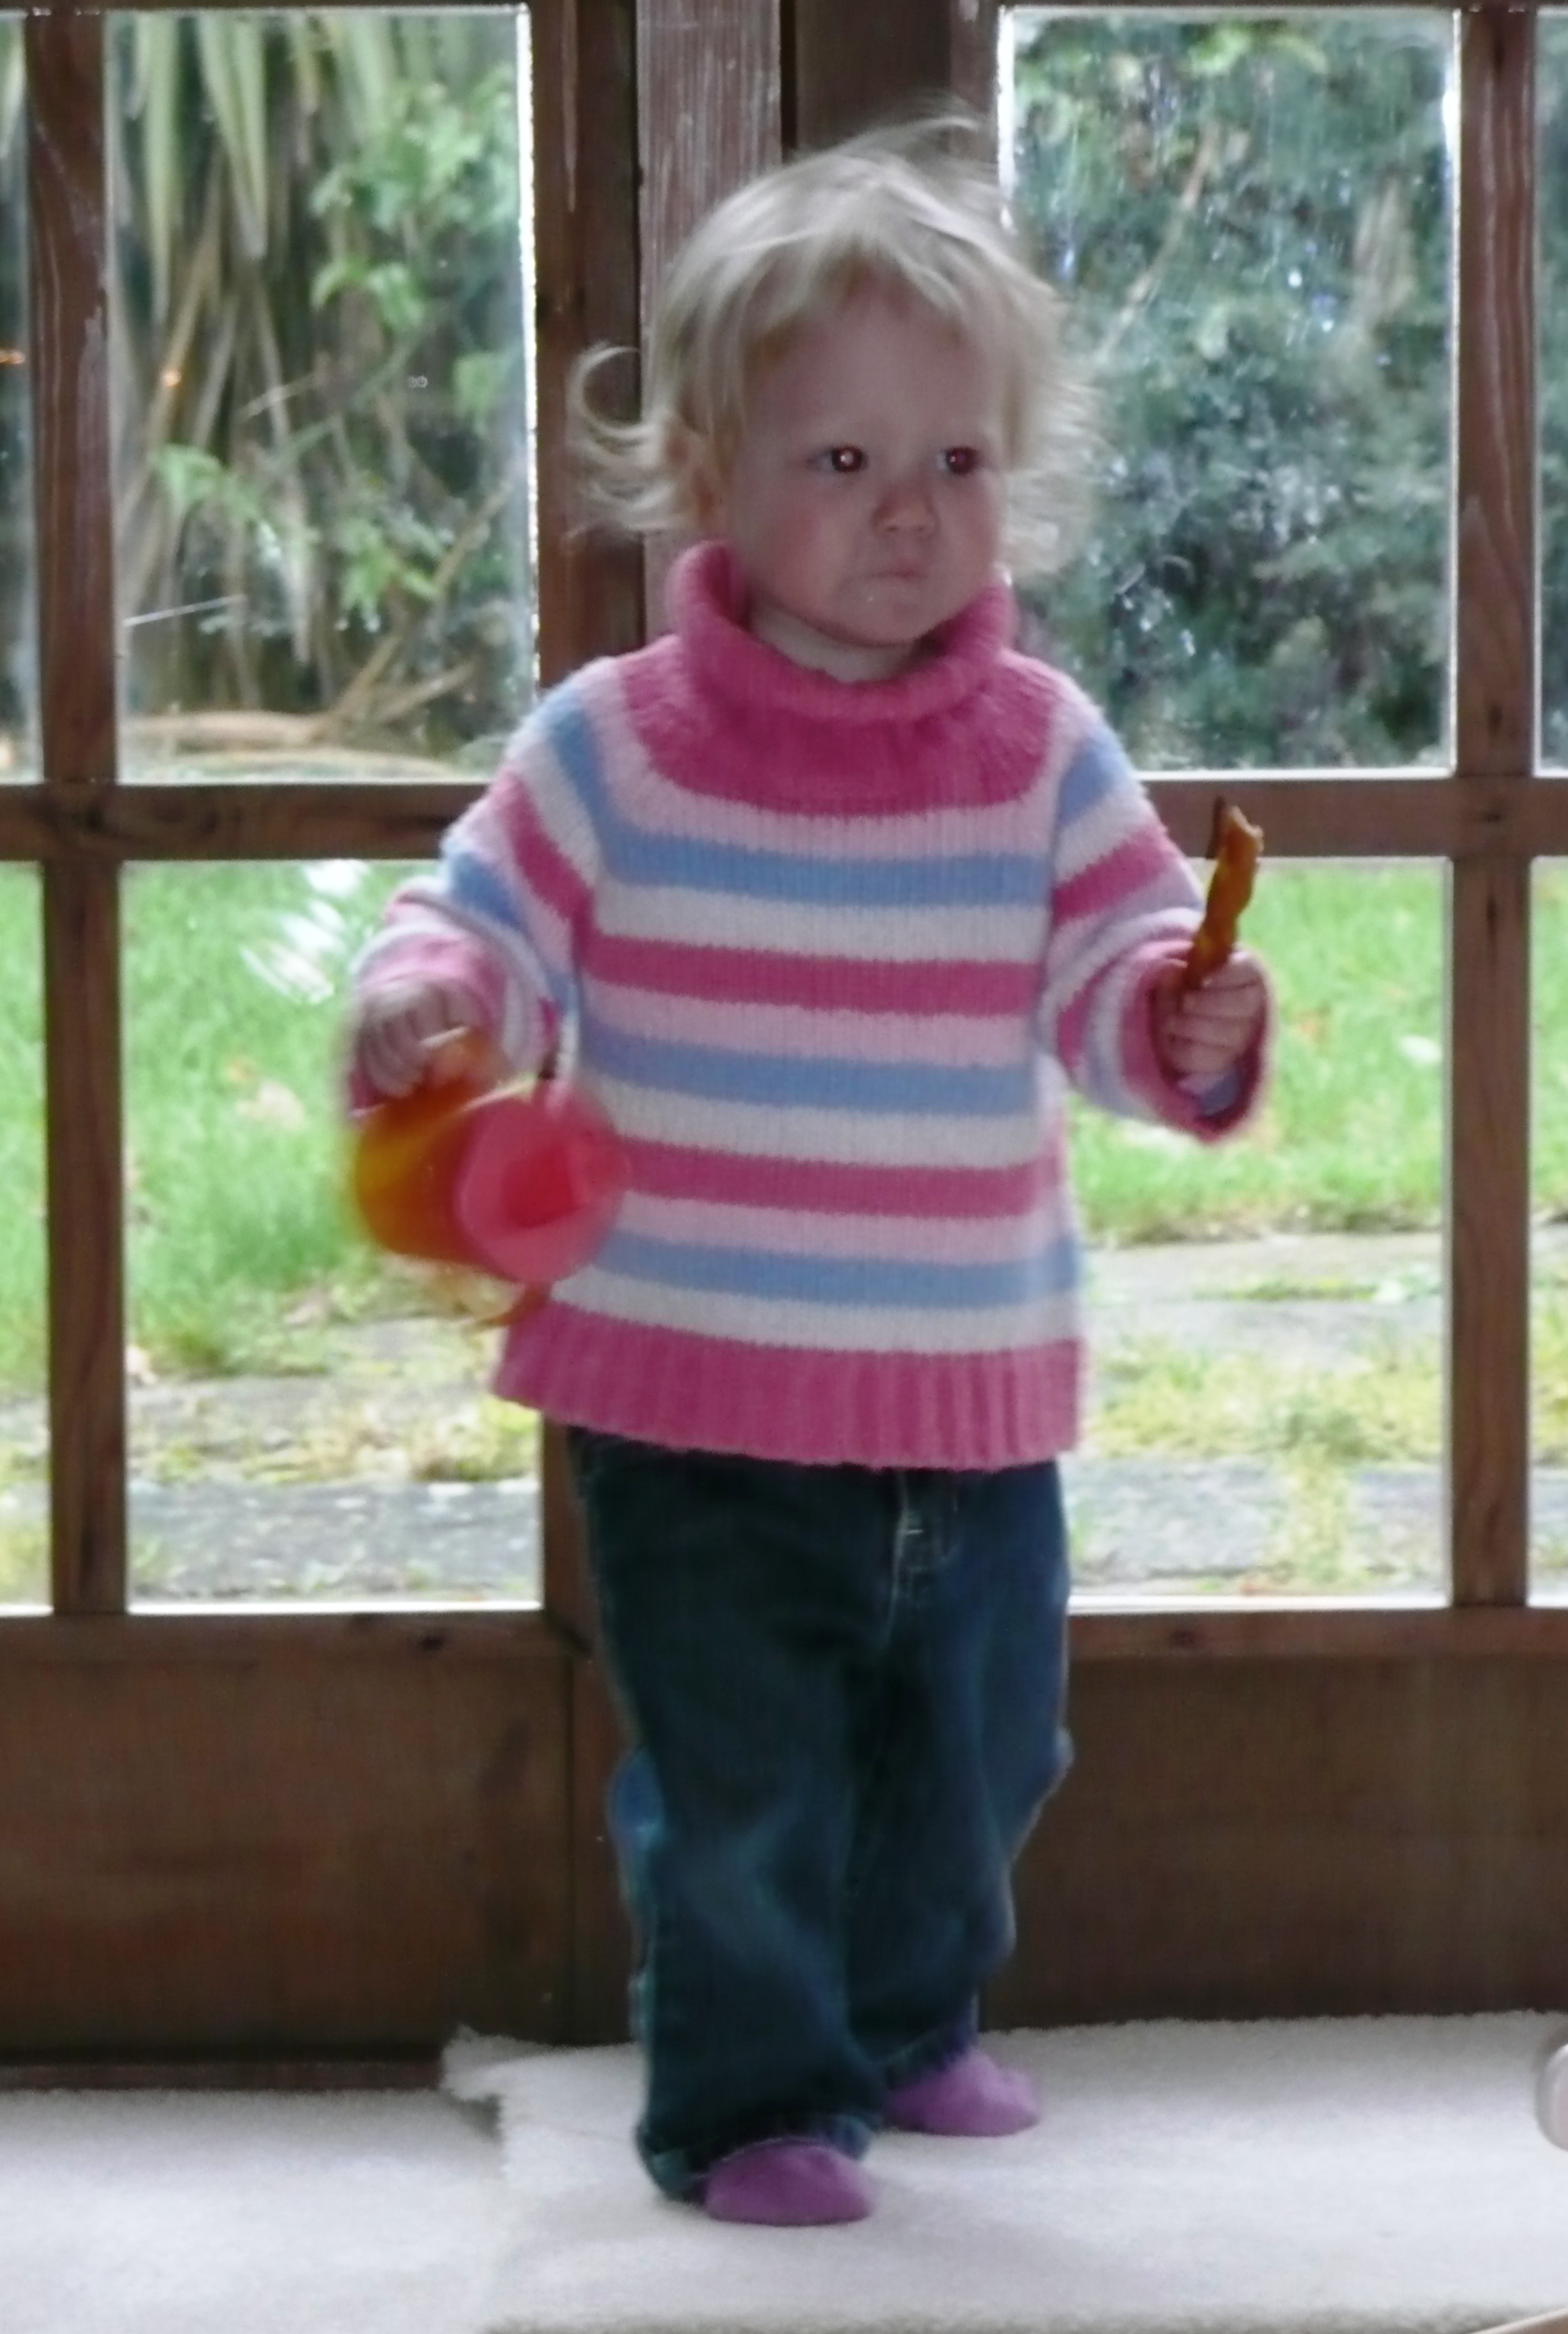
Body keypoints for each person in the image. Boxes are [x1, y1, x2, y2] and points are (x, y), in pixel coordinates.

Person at [346, 122, 1271, 2227]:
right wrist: (430, 1002)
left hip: (969, 1392)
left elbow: (1119, 975)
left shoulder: (1043, 749)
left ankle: (909, 2015)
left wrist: (1189, 1020)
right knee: (743, 1776)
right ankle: (753, 2094)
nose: (908, 513)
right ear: (706, 472)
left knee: (982, 1750)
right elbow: (478, 920)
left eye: (956, 462)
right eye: (842, 461)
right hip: (695, 1393)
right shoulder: (615, 743)